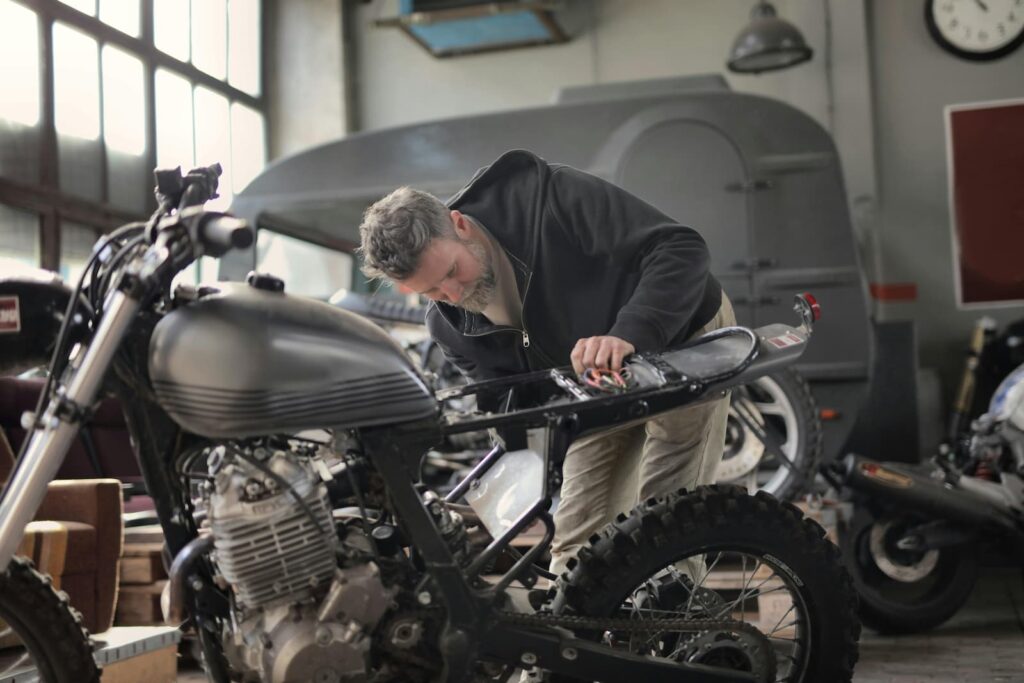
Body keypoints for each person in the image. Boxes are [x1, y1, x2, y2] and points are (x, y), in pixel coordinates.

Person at [358, 149, 735, 578]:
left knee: (666, 517)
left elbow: (678, 248)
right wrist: (530, 478)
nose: (454, 292)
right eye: (434, 291)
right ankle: (592, 639)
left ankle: (678, 628)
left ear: (458, 223)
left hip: (677, 332)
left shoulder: (551, 198)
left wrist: (626, 334)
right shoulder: (448, 328)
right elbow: (509, 407)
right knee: (576, 548)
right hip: (592, 383)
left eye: (452, 271)